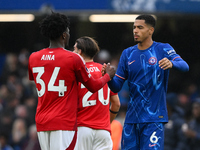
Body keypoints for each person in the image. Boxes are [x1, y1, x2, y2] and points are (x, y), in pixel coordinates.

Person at [28, 12, 115, 150]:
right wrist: (107, 76)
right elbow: (92, 86)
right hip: (63, 121)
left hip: (41, 121)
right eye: (68, 31)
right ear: (64, 35)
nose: (69, 34)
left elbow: (36, 81)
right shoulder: (73, 58)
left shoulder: (33, 57)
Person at [103, 14, 189, 150]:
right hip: (131, 120)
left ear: (151, 30)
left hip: (154, 119)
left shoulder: (163, 49)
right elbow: (117, 86)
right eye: (134, 27)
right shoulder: (127, 54)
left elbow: (185, 66)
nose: (135, 31)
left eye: (140, 27)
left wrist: (172, 63)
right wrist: (109, 77)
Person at [73, 36, 120, 150]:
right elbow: (116, 104)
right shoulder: (105, 71)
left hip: (82, 128)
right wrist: (106, 123)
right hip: (103, 131)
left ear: (80, 52)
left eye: (74, 49)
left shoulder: (76, 73)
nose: (72, 52)